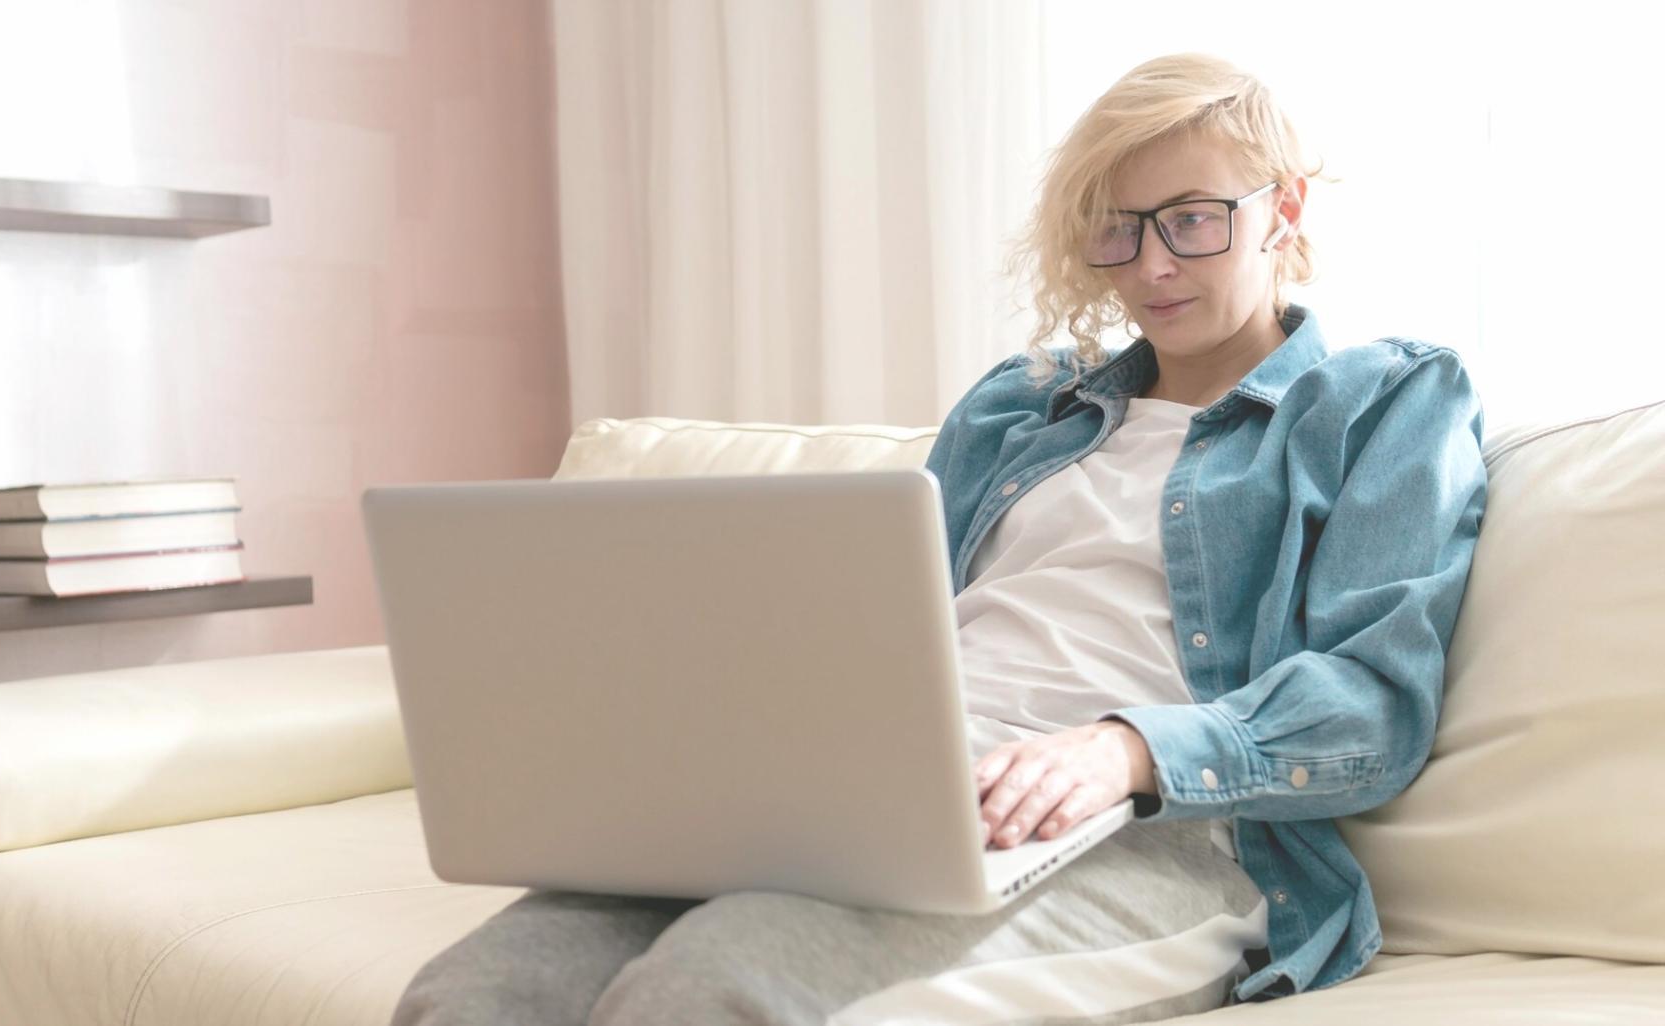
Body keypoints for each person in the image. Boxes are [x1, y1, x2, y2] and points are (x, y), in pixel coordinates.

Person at [393, 52, 1488, 1025]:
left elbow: (1374, 705)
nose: (1150, 266)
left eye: (1191, 220)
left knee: (716, 985)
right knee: (482, 994)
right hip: (871, 798)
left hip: (1156, 831)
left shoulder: (1383, 401)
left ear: (1282, 209)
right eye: (1117, 228)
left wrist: (1125, 749)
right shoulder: (1023, 406)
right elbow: (870, 622)